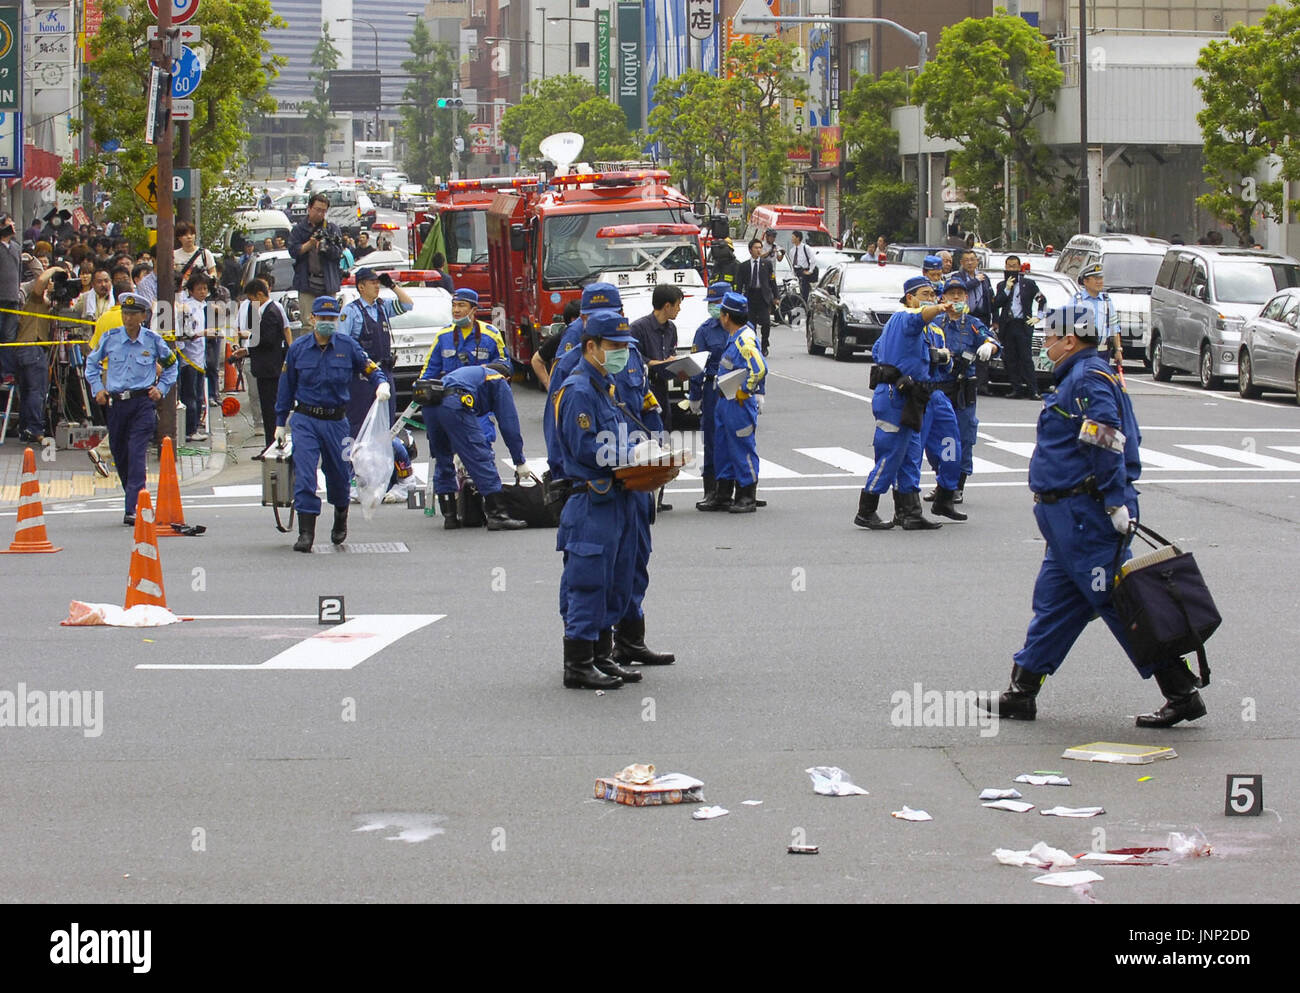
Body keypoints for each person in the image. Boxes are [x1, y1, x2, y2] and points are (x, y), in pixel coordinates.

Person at [982, 305, 1206, 729]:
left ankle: (1180, 691)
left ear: (1070, 340)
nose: (1045, 344)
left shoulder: (1086, 378)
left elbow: (1106, 437)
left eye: (1049, 337)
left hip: (1087, 516)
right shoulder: (1077, 377)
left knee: (1120, 604)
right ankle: (1022, 692)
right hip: (1066, 519)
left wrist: (1115, 499)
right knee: (1054, 604)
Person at [552, 310, 643, 689]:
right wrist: (631, 457)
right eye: (615, 347)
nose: (622, 353)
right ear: (591, 347)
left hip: (617, 497)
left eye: (625, 347)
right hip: (591, 499)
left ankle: (602, 656)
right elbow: (586, 448)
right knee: (588, 581)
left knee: (615, 579)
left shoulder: (605, 386)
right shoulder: (578, 391)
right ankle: (578, 663)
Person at [275, 296, 389, 552]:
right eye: (322, 318)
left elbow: (370, 368)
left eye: (332, 319)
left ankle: (340, 514)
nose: (327, 323)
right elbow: (286, 387)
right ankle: (306, 532)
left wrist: (380, 383)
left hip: (336, 421)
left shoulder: (347, 346)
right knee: (305, 474)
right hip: (305, 419)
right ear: (311, 318)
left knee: (338, 476)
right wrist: (280, 423)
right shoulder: (299, 349)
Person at [853, 275, 953, 531]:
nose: (930, 299)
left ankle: (909, 512)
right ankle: (867, 509)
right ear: (910, 297)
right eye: (925, 294)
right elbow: (917, 318)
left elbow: (880, 349)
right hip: (894, 397)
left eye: (933, 295)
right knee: (891, 453)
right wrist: (940, 307)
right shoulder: (903, 317)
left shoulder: (919, 331)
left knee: (910, 456)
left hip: (913, 398)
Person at [84, 293, 180, 525]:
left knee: (137, 454)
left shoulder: (153, 340)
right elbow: (91, 363)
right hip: (116, 404)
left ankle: (134, 506)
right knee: (120, 453)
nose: (128, 318)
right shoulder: (111, 338)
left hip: (142, 403)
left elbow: (172, 365)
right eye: (125, 314)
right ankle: (133, 494)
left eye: (133, 314)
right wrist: (97, 388)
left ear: (143, 316)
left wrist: (162, 389)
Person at [420, 362, 529, 532]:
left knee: (443, 458)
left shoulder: (470, 374)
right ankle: (497, 515)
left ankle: (450, 517)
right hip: (454, 402)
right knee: (480, 456)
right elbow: (509, 423)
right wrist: (519, 460)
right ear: (507, 379)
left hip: (430, 404)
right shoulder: (499, 380)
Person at [922, 277, 999, 513]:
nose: (956, 298)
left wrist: (989, 346)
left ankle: (956, 486)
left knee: (963, 438)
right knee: (936, 440)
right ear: (943, 298)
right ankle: (942, 482)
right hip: (938, 387)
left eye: (960, 294)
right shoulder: (935, 322)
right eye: (951, 294)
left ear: (966, 298)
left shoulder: (973, 324)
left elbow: (992, 341)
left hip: (963, 388)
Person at [696, 291, 767, 514]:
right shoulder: (734, 337)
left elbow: (760, 368)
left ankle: (747, 495)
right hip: (724, 400)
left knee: (741, 447)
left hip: (737, 403)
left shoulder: (745, 339)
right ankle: (724, 494)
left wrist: (746, 390)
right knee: (723, 447)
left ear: (727, 316)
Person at [628, 283, 683, 511]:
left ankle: (658, 496)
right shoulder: (638, 328)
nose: (679, 310)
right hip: (644, 392)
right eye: (678, 305)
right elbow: (634, 359)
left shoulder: (671, 329)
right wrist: (655, 363)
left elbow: (671, 354)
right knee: (644, 441)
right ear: (667, 305)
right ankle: (644, 497)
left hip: (663, 389)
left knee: (663, 441)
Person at [339, 267, 412, 434]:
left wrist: (392, 286)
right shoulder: (351, 311)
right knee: (360, 420)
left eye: (378, 282)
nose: (377, 286)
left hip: (385, 370)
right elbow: (343, 344)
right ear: (361, 287)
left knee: (387, 419)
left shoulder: (382, 307)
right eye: (372, 283)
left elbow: (408, 304)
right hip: (362, 374)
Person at [232, 278, 290, 451]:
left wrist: (248, 337)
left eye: (252, 299)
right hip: (265, 367)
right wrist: (247, 350)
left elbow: (268, 340)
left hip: (270, 369)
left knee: (271, 410)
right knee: (267, 409)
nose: (251, 303)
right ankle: (270, 444)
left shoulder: (271, 311)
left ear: (259, 295)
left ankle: (273, 445)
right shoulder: (266, 311)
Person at [688, 282, 731, 508]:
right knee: (713, 440)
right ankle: (711, 490)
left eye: (717, 303)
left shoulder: (743, 327)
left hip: (737, 388)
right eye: (711, 303)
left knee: (738, 438)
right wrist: (694, 395)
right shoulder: (705, 330)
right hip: (713, 388)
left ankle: (740, 488)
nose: (713, 307)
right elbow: (697, 365)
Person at [991, 255, 1047, 400]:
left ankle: (1033, 389)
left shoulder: (1028, 284)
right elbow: (996, 304)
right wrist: (1007, 289)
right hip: (1008, 325)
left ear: (1019, 267)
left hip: (1023, 324)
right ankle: (1016, 388)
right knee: (1010, 358)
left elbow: (1041, 300)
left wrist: (1039, 317)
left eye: (1014, 266)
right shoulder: (1002, 285)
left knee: (1026, 358)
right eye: (1009, 266)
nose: (1011, 269)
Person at [288, 193, 344, 329]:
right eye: (317, 210)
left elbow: (339, 252)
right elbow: (293, 251)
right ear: (309, 208)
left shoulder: (331, 229)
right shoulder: (299, 229)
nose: (320, 214)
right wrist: (310, 244)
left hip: (328, 282)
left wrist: (327, 247)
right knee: (308, 324)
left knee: (329, 323)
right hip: (307, 282)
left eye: (323, 211)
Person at [176, 272, 210, 443]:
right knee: (190, 395)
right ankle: (190, 429)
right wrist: (203, 333)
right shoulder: (187, 307)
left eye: (205, 288)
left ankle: (195, 426)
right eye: (199, 289)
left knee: (197, 395)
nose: (203, 292)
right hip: (188, 359)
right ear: (190, 291)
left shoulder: (201, 306)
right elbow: (186, 333)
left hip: (199, 358)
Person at [1072, 262, 1122, 368]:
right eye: (1095, 279)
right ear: (1085, 281)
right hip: (1082, 353)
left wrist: (1118, 350)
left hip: (1102, 353)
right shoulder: (1077, 301)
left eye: (1101, 278)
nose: (1099, 282)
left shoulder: (1107, 301)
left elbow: (1114, 328)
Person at [735, 238, 778, 355]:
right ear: (750, 250)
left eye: (760, 248)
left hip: (763, 297)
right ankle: (753, 345)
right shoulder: (743, 266)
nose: (759, 250)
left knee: (766, 322)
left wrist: (775, 297)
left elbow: (772, 281)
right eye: (756, 248)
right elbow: (739, 284)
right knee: (750, 324)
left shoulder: (767, 264)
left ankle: (764, 344)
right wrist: (737, 299)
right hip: (750, 297)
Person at [529, 299, 582, 389]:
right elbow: (536, 360)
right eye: (578, 318)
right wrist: (548, 385)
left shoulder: (595, 336)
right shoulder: (562, 337)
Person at [0, 213, 23, 388]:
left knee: (9, 337)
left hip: (13, 298)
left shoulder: (16, 247)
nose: (13, 225)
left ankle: (8, 372)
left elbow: (19, 272)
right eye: (9, 222)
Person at [787, 230, 817, 301]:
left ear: (798, 238)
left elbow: (813, 259)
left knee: (804, 291)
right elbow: (791, 263)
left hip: (803, 272)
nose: (791, 239)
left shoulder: (806, 248)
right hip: (795, 272)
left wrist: (810, 271)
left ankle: (804, 304)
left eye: (793, 237)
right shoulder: (792, 250)